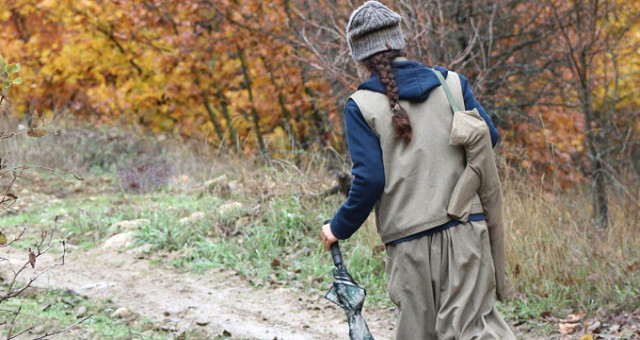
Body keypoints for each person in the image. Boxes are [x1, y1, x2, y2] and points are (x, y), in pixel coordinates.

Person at [320, 1, 517, 339]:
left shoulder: (361, 106)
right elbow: (490, 138)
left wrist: (338, 227)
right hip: (467, 230)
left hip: (409, 245)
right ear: (399, 41)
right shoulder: (452, 84)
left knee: (417, 333)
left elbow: (370, 181)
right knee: (474, 330)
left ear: (360, 55)